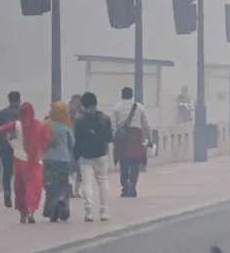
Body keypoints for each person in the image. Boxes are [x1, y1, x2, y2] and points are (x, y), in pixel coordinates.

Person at [0, 100, 50, 224]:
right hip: (35, 162)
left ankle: (23, 213)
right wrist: (41, 153)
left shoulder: (17, 124)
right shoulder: (40, 125)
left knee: (20, 188)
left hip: (19, 161)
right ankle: (31, 211)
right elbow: (47, 141)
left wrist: (10, 140)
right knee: (34, 188)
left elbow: (0, 130)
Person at [73, 92, 112, 222]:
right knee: (103, 182)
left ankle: (89, 211)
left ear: (82, 104)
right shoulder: (105, 118)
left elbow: (75, 139)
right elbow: (109, 138)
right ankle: (104, 211)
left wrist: (76, 154)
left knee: (87, 183)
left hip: (85, 156)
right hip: (101, 154)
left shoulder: (78, 119)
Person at [111, 87, 150, 198]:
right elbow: (146, 126)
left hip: (122, 138)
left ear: (122, 95)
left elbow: (113, 126)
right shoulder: (140, 107)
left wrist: (114, 140)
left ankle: (125, 187)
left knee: (124, 163)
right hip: (136, 136)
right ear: (132, 95)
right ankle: (132, 184)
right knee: (135, 164)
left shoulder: (116, 108)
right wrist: (150, 139)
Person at [42, 101, 75, 222]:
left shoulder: (45, 124)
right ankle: (62, 204)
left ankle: (51, 208)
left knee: (50, 185)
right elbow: (73, 143)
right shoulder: (67, 127)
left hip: (48, 158)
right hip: (63, 159)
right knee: (62, 185)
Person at [0, 92, 19, 208]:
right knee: (20, 173)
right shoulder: (23, 113)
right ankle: (20, 197)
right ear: (19, 100)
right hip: (21, 147)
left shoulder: (1, 114)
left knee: (7, 172)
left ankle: (7, 194)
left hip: (5, 147)